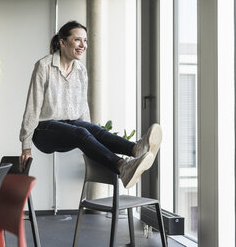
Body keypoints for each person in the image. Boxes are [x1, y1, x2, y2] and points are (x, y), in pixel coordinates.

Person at [19, 21, 162, 189]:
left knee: (93, 129)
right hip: (43, 131)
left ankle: (135, 149)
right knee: (80, 131)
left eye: (85, 41)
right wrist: (26, 147)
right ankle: (122, 167)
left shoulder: (80, 70)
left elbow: (83, 107)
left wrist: (92, 138)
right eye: (77, 40)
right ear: (62, 42)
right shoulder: (44, 66)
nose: (83, 45)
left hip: (69, 127)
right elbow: (32, 106)